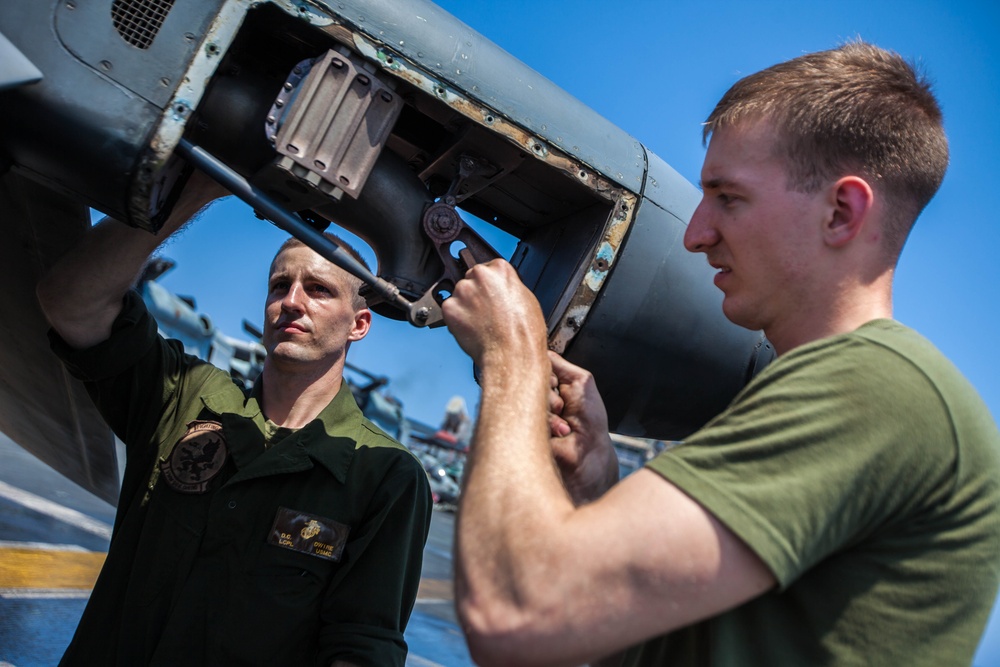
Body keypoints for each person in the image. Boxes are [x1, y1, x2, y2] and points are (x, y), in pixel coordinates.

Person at [441, 41, 1000, 666]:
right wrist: (597, 493)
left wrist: (512, 358)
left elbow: (519, 612)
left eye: (728, 198)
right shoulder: (851, 390)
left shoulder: (877, 389)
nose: (695, 234)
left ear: (842, 211)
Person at [35, 172, 433, 666]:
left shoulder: (385, 475)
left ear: (359, 324)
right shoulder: (185, 396)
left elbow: (361, 646)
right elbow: (71, 302)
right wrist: (201, 187)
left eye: (320, 289)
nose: (292, 301)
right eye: (279, 285)